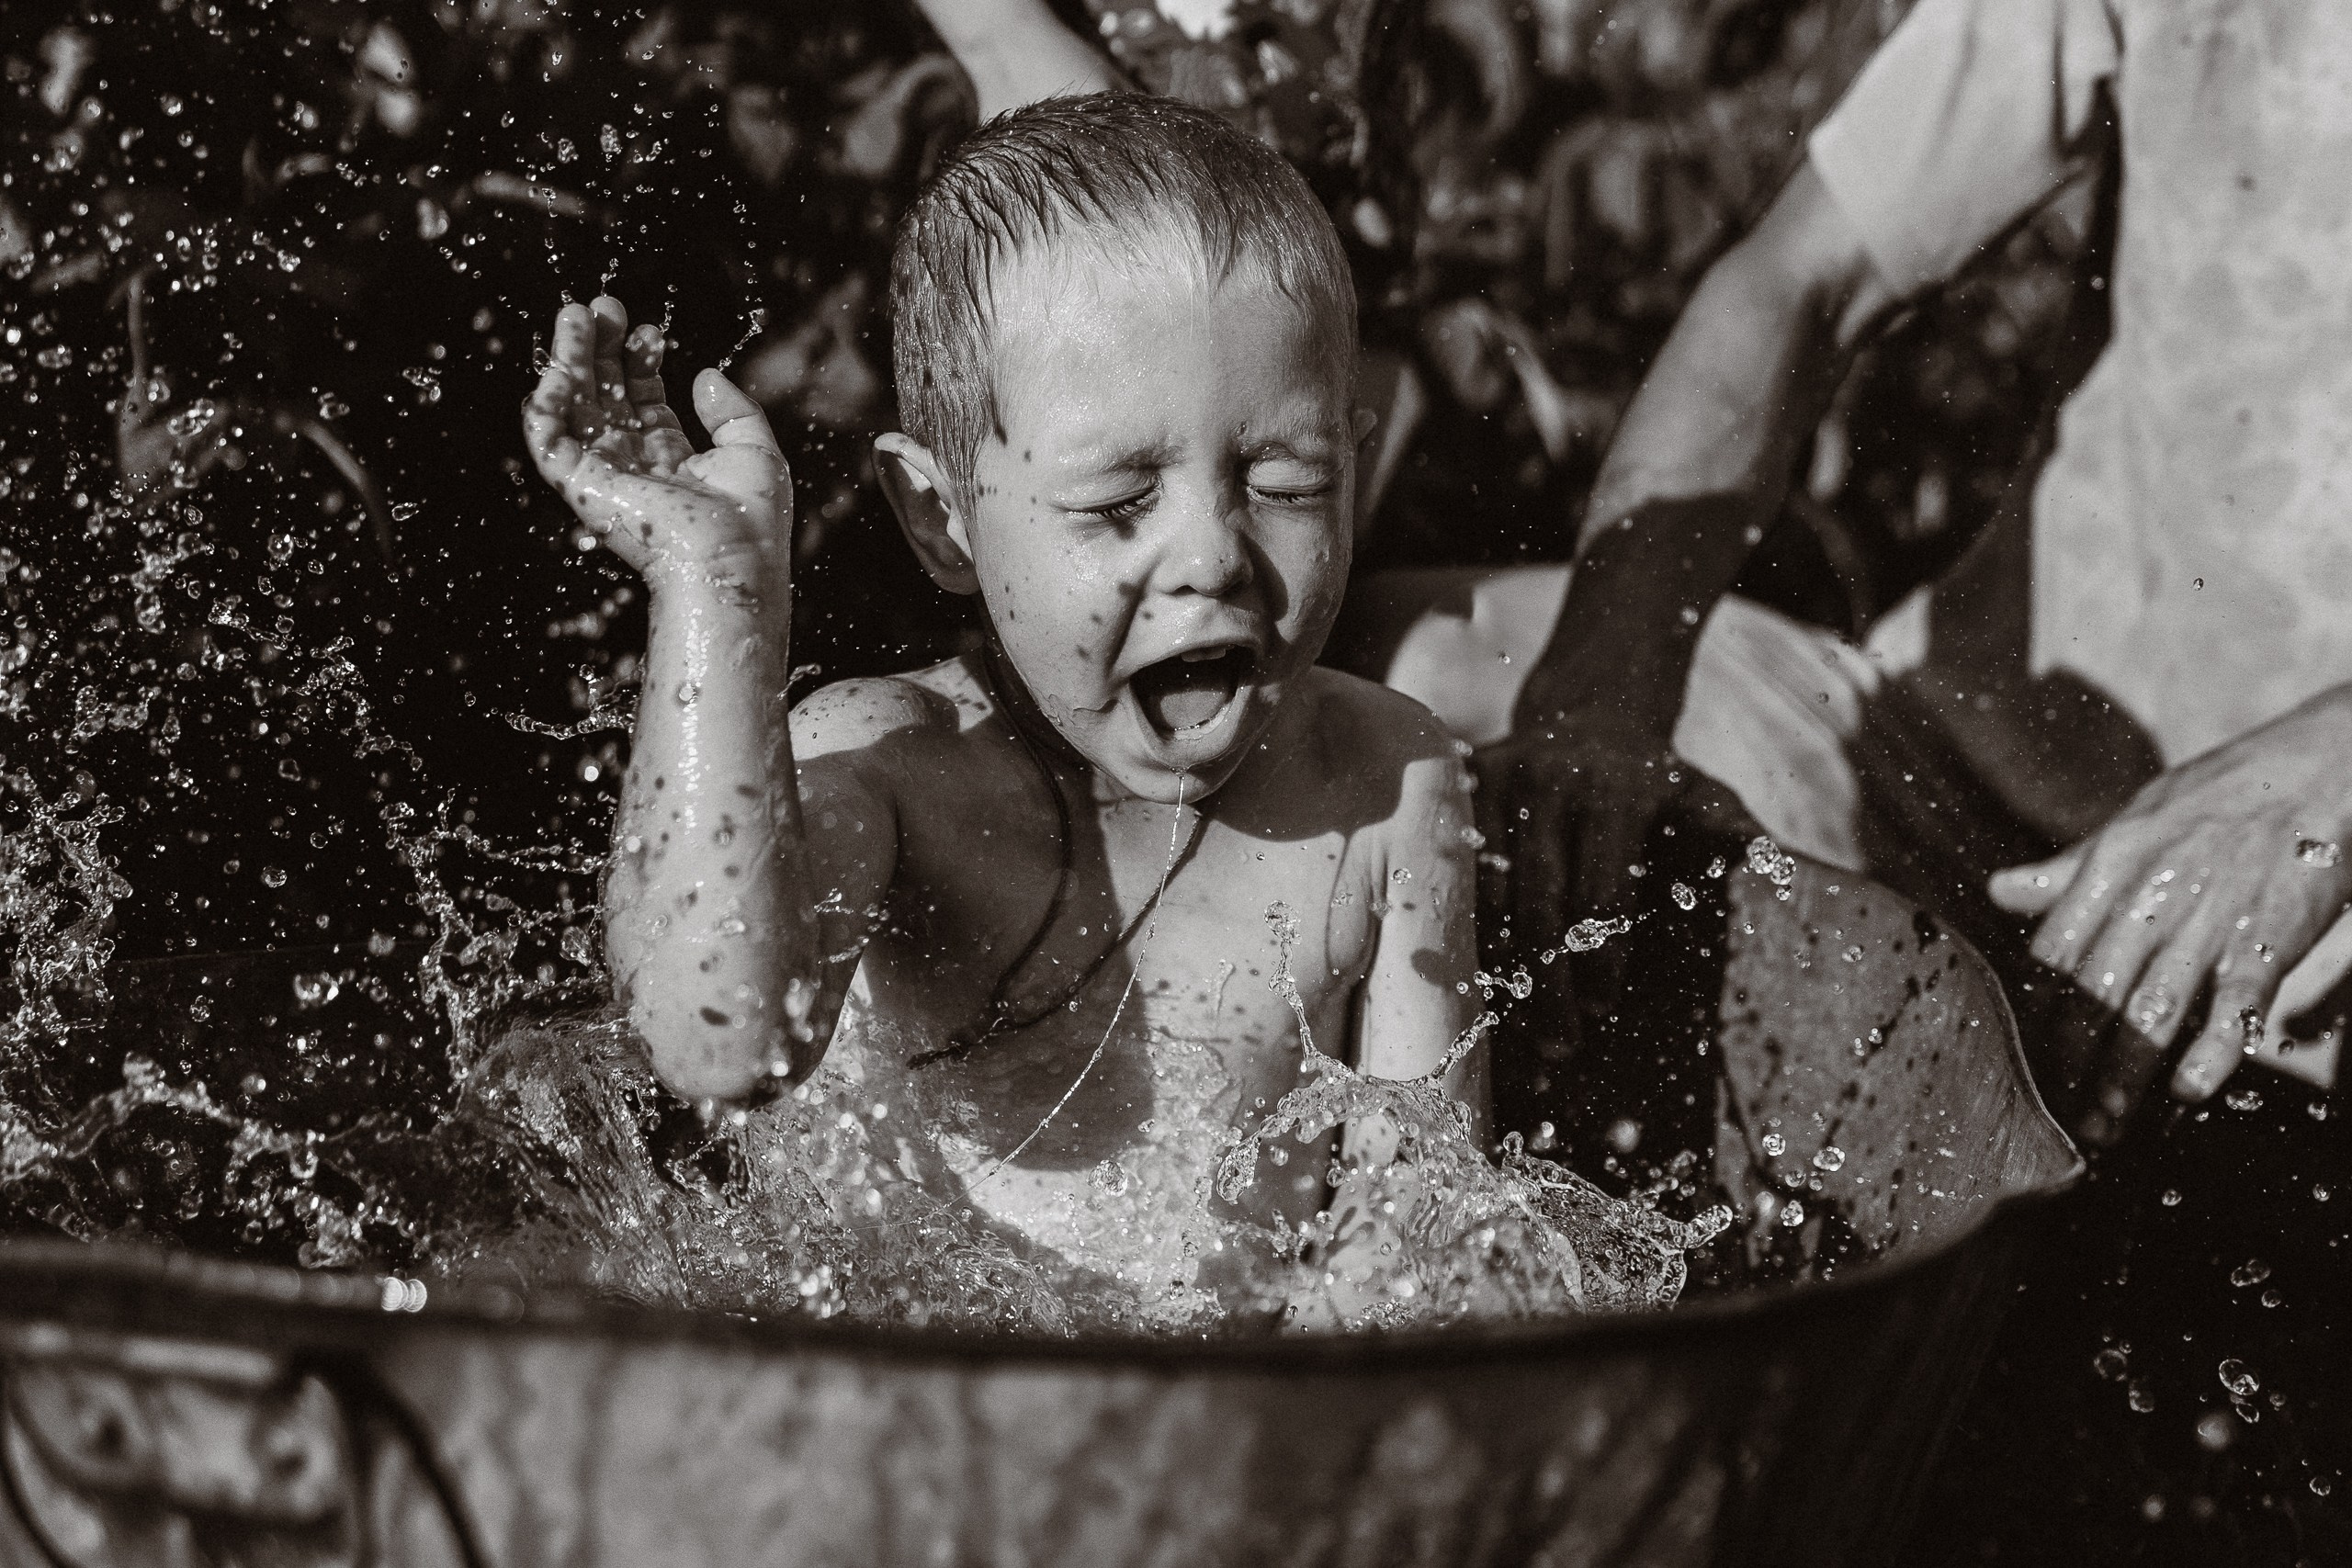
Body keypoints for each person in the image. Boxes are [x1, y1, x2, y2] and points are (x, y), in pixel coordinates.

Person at [520, 94, 1484, 1299]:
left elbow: (1428, 1259)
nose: (1212, 554)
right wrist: (718, 594)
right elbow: (712, 1036)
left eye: (1288, 480)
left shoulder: (1385, 785)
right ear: (944, 518)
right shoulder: (889, 769)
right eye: (1117, 505)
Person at [1378, 0, 2352, 1145]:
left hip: (2319, 939)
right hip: (1965, 792)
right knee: (1398, 685)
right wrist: (1600, 697)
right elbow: (1803, 278)